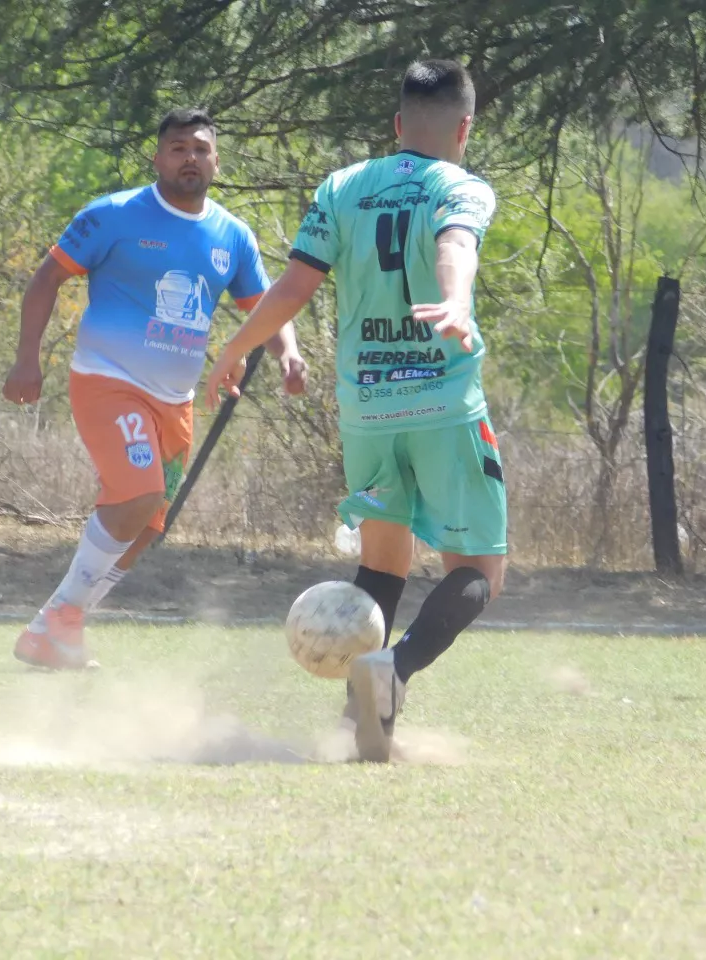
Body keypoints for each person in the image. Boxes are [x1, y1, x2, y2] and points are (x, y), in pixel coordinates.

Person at [207, 60, 506, 762]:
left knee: (383, 563)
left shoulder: (342, 187)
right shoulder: (461, 186)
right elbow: (454, 244)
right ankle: (390, 670)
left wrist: (237, 347)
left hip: (367, 408)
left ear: (398, 124)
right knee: (479, 574)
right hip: (443, 403)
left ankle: (355, 724)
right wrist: (455, 301)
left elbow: (291, 287)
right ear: (464, 128)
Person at [3, 108, 306, 670]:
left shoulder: (232, 236)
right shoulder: (113, 214)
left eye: (200, 149)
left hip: (177, 402)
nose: (189, 158)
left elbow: (265, 310)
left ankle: (57, 626)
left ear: (216, 160)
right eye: (177, 148)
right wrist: (27, 360)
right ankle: (57, 620)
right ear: (157, 157)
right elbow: (46, 278)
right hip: (107, 380)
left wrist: (287, 353)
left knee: (147, 528)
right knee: (137, 495)